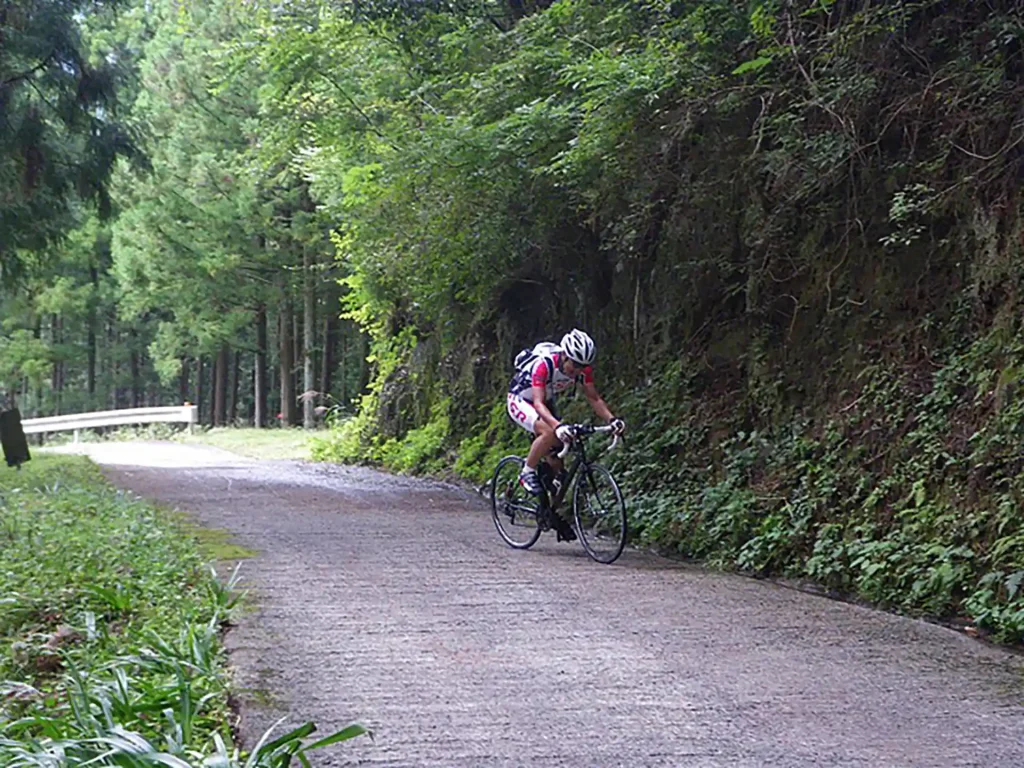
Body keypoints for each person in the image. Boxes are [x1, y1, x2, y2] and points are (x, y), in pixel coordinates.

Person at [506, 329, 625, 503]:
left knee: (559, 464)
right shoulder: (545, 364)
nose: (577, 370)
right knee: (549, 432)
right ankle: (527, 472)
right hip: (521, 399)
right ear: (564, 356)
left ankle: (551, 509)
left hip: (545, 400)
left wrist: (612, 420)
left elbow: (594, 398)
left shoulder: (583, 370)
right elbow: (538, 403)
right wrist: (558, 426)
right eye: (575, 365)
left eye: (582, 366)